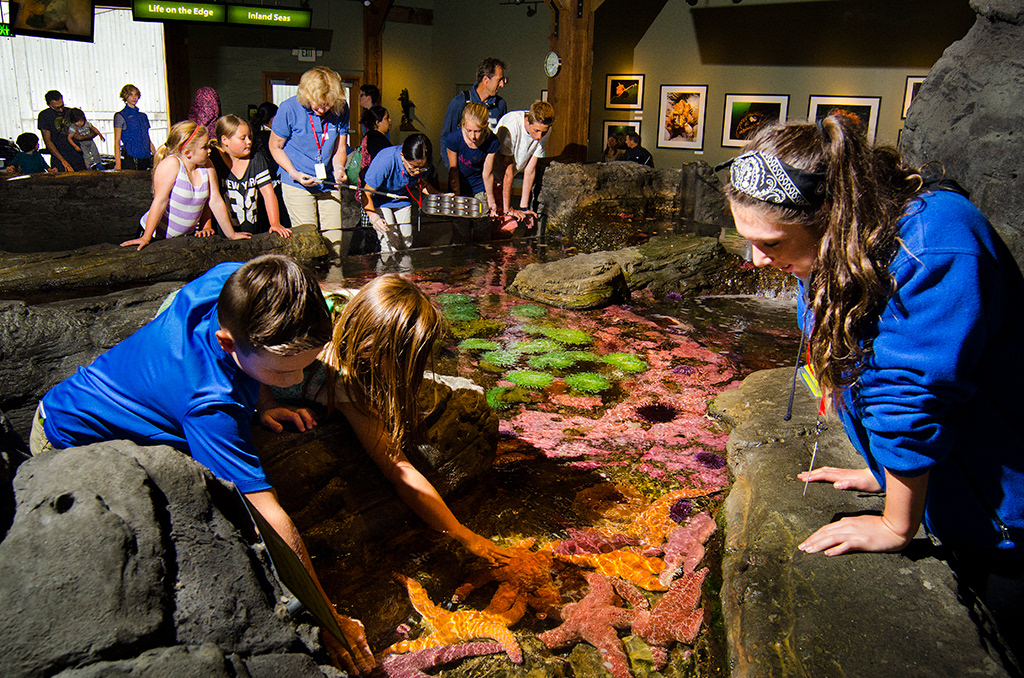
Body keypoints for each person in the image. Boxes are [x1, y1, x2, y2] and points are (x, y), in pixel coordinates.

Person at [721, 114, 1024, 660]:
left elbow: (909, 393)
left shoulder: (936, 243)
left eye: (769, 242)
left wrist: (895, 523)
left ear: (830, 215)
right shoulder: (840, 240)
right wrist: (883, 469)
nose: (757, 259)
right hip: (949, 487)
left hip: (1002, 518)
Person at [29, 255, 376, 675]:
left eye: (305, 364)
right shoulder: (212, 405)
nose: (298, 380)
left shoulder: (236, 282)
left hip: (110, 391)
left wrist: (262, 402)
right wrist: (327, 618)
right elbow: (267, 515)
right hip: (70, 442)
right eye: (282, 372)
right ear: (228, 344)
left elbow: (256, 344)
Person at [316, 274, 512, 566]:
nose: (412, 370)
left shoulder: (349, 304)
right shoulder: (344, 385)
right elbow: (400, 470)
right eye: (404, 360)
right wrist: (459, 532)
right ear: (371, 350)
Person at [121, 120, 251, 251]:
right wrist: (147, 237)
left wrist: (231, 234)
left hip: (184, 238)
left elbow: (215, 201)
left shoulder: (207, 165)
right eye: (204, 147)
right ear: (188, 152)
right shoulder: (171, 164)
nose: (209, 150)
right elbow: (160, 201)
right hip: (157, 236)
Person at [269, 67, 350, 257]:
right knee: (309, 243)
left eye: (327, 105)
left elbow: (340, 147)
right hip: (297, 182)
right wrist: (293, 173)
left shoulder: (340, 109)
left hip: (328, 182)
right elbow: (275, 147)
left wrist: (339, 168)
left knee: (334, 242)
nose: (322, 110)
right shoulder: (289, 108)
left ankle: (334, 283)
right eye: (318, 104)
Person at [210, 115, 291, 238]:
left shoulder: (256, 158)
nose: (249, 141)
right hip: (221, 234)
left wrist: (275, 223)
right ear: (225, 140)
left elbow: (268, 192)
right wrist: (206, 226)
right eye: (242, 138)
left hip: (253, 232)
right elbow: (208, 197)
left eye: (250, 137)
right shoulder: (213, 159)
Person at [362, 133, 435, 255]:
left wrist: (439, 196)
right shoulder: (385, 161)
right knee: (391, 243)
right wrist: (373, 217)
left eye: (421, 169)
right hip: (381, 200)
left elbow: (420, 183)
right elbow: (366, 194)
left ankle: (405, 273)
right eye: (413, 168)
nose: (417, 172)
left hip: (402, 199)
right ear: (402, 157)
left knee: (406, 243)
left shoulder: (424, 163)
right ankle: (387, 272)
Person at [495, 100, 554, 231]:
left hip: (507, 180)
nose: (539, 137)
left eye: (543, 132)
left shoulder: (545, 130)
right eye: (536, 130)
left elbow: (530, 169)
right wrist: (507, 210)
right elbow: (507, 170)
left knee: (510, 227)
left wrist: (524, 208)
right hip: (493, 177)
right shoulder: (511, 125)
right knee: (504, 226)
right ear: (527, 121)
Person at [439, 57, 507, 167]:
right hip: (462, 171)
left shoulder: (500, 104)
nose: (502, 84)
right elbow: (446, 139)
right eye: (499, 80)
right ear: (486, 80)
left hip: (487, 172)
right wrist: (453, 168)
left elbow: (500, 140)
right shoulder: (459, 103)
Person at [445, 102, 500, 216]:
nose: (473, 136)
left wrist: (491, 200)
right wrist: (457, 197)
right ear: (463, 125)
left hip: (479, 185)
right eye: (469, 130)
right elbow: (453, 169)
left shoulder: (492, 141)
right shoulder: (454, 138)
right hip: (459, 182)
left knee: (482, 221)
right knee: (461, 226)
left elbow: (487, 173)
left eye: (477, 131)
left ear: (486, 126)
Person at [352, 105, 391, 255]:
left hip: (366, 186)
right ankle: (367, 260)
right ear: (377, 122)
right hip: (372, 189)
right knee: (371, 229)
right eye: (386, 118)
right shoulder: (377, 138)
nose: (390, 121)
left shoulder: (369, 136)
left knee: (367, 225)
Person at [37, 90, 87, 172]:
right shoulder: (44, 116)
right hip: (59, 157)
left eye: (62, 106)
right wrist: (63, 161)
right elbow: (48, 141)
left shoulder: (71, 112)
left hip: (77, 156)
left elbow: (89, 130)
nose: (61, 110)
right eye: (57, 108)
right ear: (49, 104)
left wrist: (82, 137)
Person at [114, 84, 156, 171]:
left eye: (136, 95)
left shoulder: (143, 116)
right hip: (131, 156)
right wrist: (118, 163)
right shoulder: (120, 116)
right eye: (130, 95)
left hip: (145, 155)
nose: (134, 98)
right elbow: (117, 141)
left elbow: (147, 137)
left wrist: (155, 154)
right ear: (125, 96)